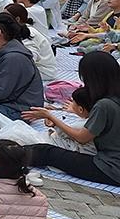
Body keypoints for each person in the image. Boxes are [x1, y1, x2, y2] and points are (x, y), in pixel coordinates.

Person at [22, 51, 120, 186]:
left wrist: (50, 117)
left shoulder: (104, 105)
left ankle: (3, 157)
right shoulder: (112, 99)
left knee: (46, 152)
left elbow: (82, 138)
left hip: (110, 168)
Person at [5, 4, 56, 84]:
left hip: (44, 71)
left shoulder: (29, 33)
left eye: (6, 17)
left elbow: (28, 60)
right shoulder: (18, 30)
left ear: (17, 19)